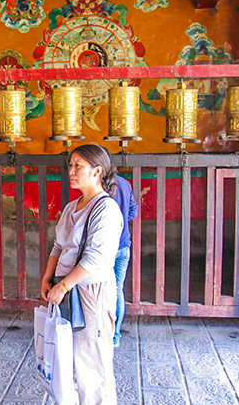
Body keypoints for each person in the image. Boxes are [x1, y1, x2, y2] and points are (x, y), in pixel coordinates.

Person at [40, 144, 123, 405]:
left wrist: (63, 286)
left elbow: (95, 259)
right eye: (71, 165)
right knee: (70, 360)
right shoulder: (72, 207)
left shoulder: (105, 209)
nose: (72, 171)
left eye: (79, 166)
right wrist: (47, 278)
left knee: (93, 365)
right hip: (66, 290)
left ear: (97, 171)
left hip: (91, 293)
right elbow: (58, 246)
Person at [102, 147, 139, 347]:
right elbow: (133, 212)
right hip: (124, 245)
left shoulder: (100, 186)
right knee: (117, 289)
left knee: (99, 289)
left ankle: (102, 332)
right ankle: (115, 336)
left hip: (105, 247)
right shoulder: (124, 183)